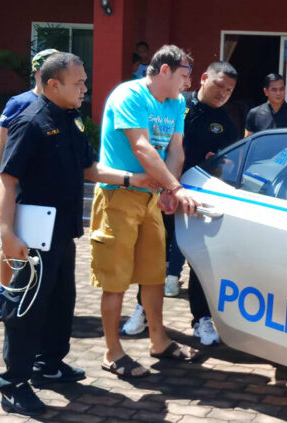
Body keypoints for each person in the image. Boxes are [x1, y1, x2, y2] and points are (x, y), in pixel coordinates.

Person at [0, 52, 159, 416]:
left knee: (60, 303)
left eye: (85, 81)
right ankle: (14, 385)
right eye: (79, 82)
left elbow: (89, 169)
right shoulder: (32, 122)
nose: (85, 88)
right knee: (26, 311)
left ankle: (48, 366)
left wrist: (133, 179)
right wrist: (8, 234)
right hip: (33, 238)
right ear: (54, 84)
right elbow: (8, 179)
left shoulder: (70, 120)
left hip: (62, 232)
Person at [91, 45, 201, 380]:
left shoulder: (177, 102)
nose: (188, 84)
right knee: (116, 280)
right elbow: (142, 146)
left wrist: (169, 188)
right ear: (165, 70)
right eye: (184, 76)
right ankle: (113, 352)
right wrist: (176, 189)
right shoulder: (131, 95)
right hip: (117, 197)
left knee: (154, 274)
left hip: (151, 198)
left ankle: (159, 341)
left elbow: (175, 148)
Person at [122, 61, 239, 346]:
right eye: (219, 85)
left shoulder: (226, 122)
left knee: (200, 262)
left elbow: (231, 165)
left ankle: (202, 319)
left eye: (230, 90)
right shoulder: (176, 105)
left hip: (198, 199)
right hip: (162, 193)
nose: (223, 93)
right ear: (202, 79)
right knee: (154, 255)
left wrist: (221, 164)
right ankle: (143, 310)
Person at [0, 48, 59, 322]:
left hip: (44, 191)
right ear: (38, 72)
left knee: (41, 246)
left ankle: (37, 296)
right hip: (14, 185)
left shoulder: (63, 106)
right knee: (9, 243)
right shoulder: (18, 103)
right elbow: (0, 145)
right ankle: (4, 293)